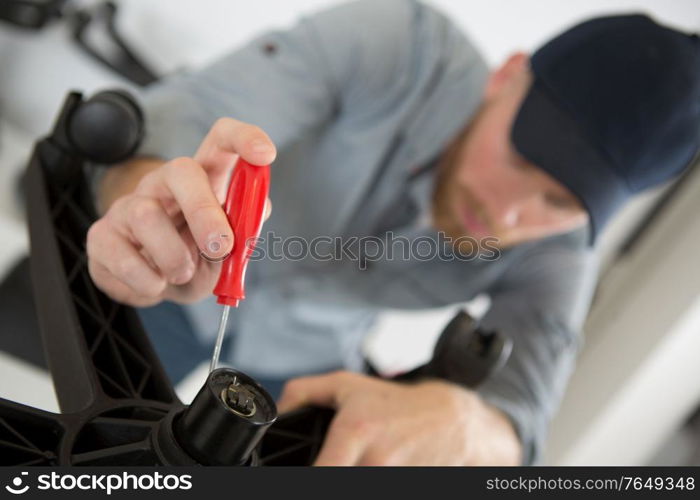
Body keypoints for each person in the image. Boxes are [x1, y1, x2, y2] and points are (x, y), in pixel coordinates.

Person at [85, 0, 700, 465]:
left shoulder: (558, 252)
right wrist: (146, 201)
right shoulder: (394, 42)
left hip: (303, 365)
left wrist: (474, 427)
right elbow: (170, 126)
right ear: (506, 75)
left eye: (560, 200)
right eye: (521, 155)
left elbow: (521, 414)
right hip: (160, 291)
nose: (510, 216)